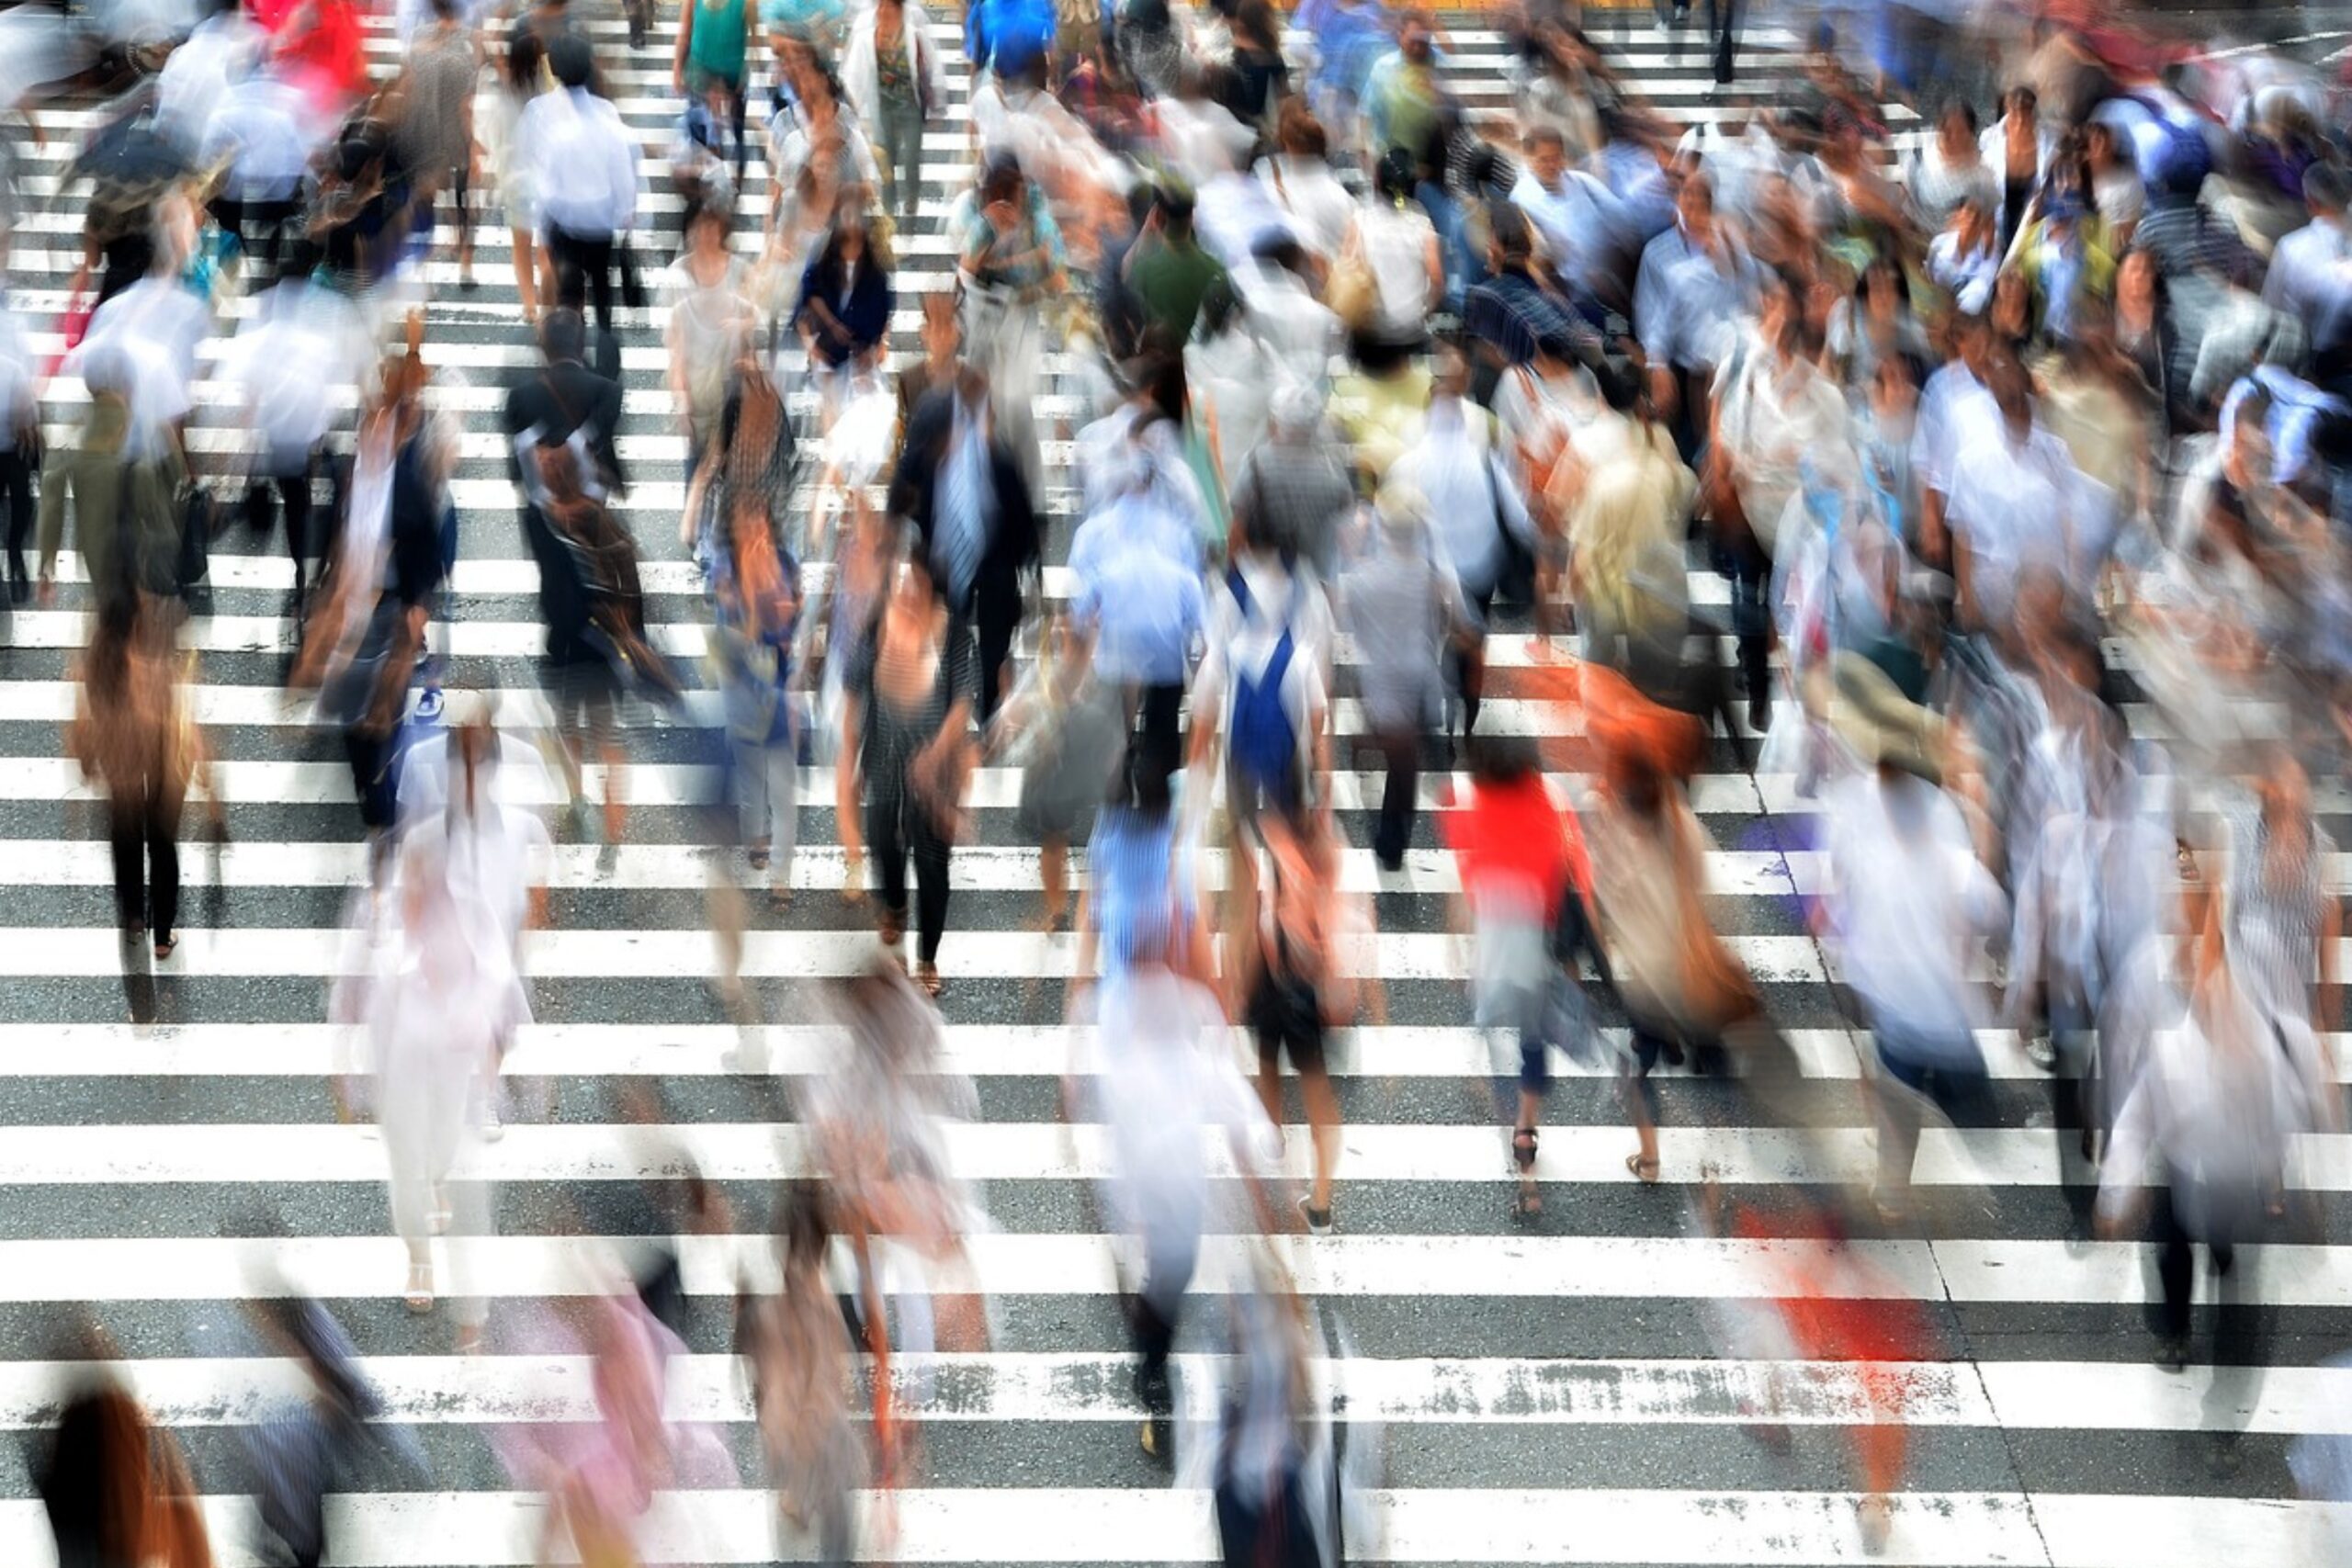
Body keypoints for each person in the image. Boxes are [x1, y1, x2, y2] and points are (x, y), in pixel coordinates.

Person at [837, 552, 978, 996]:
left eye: (916, 585)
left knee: (933, 863)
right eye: (902, 584)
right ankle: (895, 905)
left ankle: (928, 956)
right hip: (885, 757)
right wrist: (851, 751)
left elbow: (962, 701)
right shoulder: (881, 622)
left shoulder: (952, 634)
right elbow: (854, 684)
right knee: (883, 839)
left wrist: (935, 755)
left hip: (936, 771)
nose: (907, 593)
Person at [892, 362, 1042, 726]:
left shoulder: (999, 458)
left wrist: (1030, 570)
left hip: (994, 566)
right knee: (945, 640)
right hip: (943, 561)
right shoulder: (934, 442)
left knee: (993, 647)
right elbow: (904, 482)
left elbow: (1022, 519)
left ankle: (987, 709)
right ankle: (943, 710)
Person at [65, 596, 202, 974]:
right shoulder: (154, 658)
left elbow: (83, 720)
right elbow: (180, 719)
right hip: (161, 763)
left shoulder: (100, 661)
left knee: (124, 837)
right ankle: (162, 934)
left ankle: (134, 918)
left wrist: (87, 757)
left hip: (121, 760)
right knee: (162, 843)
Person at [518, 34, 640, 335]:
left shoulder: (537, 111)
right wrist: (627, 211)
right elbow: (622, 168)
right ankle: (605, 339)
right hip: (601, 222)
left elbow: (535, 167)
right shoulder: (606, 112)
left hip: (564, 223)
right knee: (601, 287)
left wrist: (542, 223)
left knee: (567, 292)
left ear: (554, 70)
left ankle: (567, 343)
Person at [395, 0, 481, 288]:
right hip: (456, 133)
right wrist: (473, 143)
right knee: (464, 196)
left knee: (423, 202)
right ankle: (465, 265)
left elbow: (407, 83)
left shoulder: (418, 37)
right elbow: (467, 103)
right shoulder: (471, 39)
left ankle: (423, 271)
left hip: (423, 130)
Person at [842, 0, 940, 229]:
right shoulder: (866, 39)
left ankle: (912, 197)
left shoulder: (914, 36)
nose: (884, 12)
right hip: (883, 110)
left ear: (900, 10)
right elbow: (852, 77)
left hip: (910, 108)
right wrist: (851, 110)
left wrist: (937, 106)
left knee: (911, 160)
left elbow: (932, 68)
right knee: (885, 162)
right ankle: (890, 214)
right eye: (881, 7)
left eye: (890, 7)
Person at [673, 0, 753, 179]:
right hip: (702, 76)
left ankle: (730, 184)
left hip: (730, 77)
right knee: (704, 138)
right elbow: (685, 32)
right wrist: (677, 70)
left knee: (734, 134)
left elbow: (750, 38)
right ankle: (711, 187)